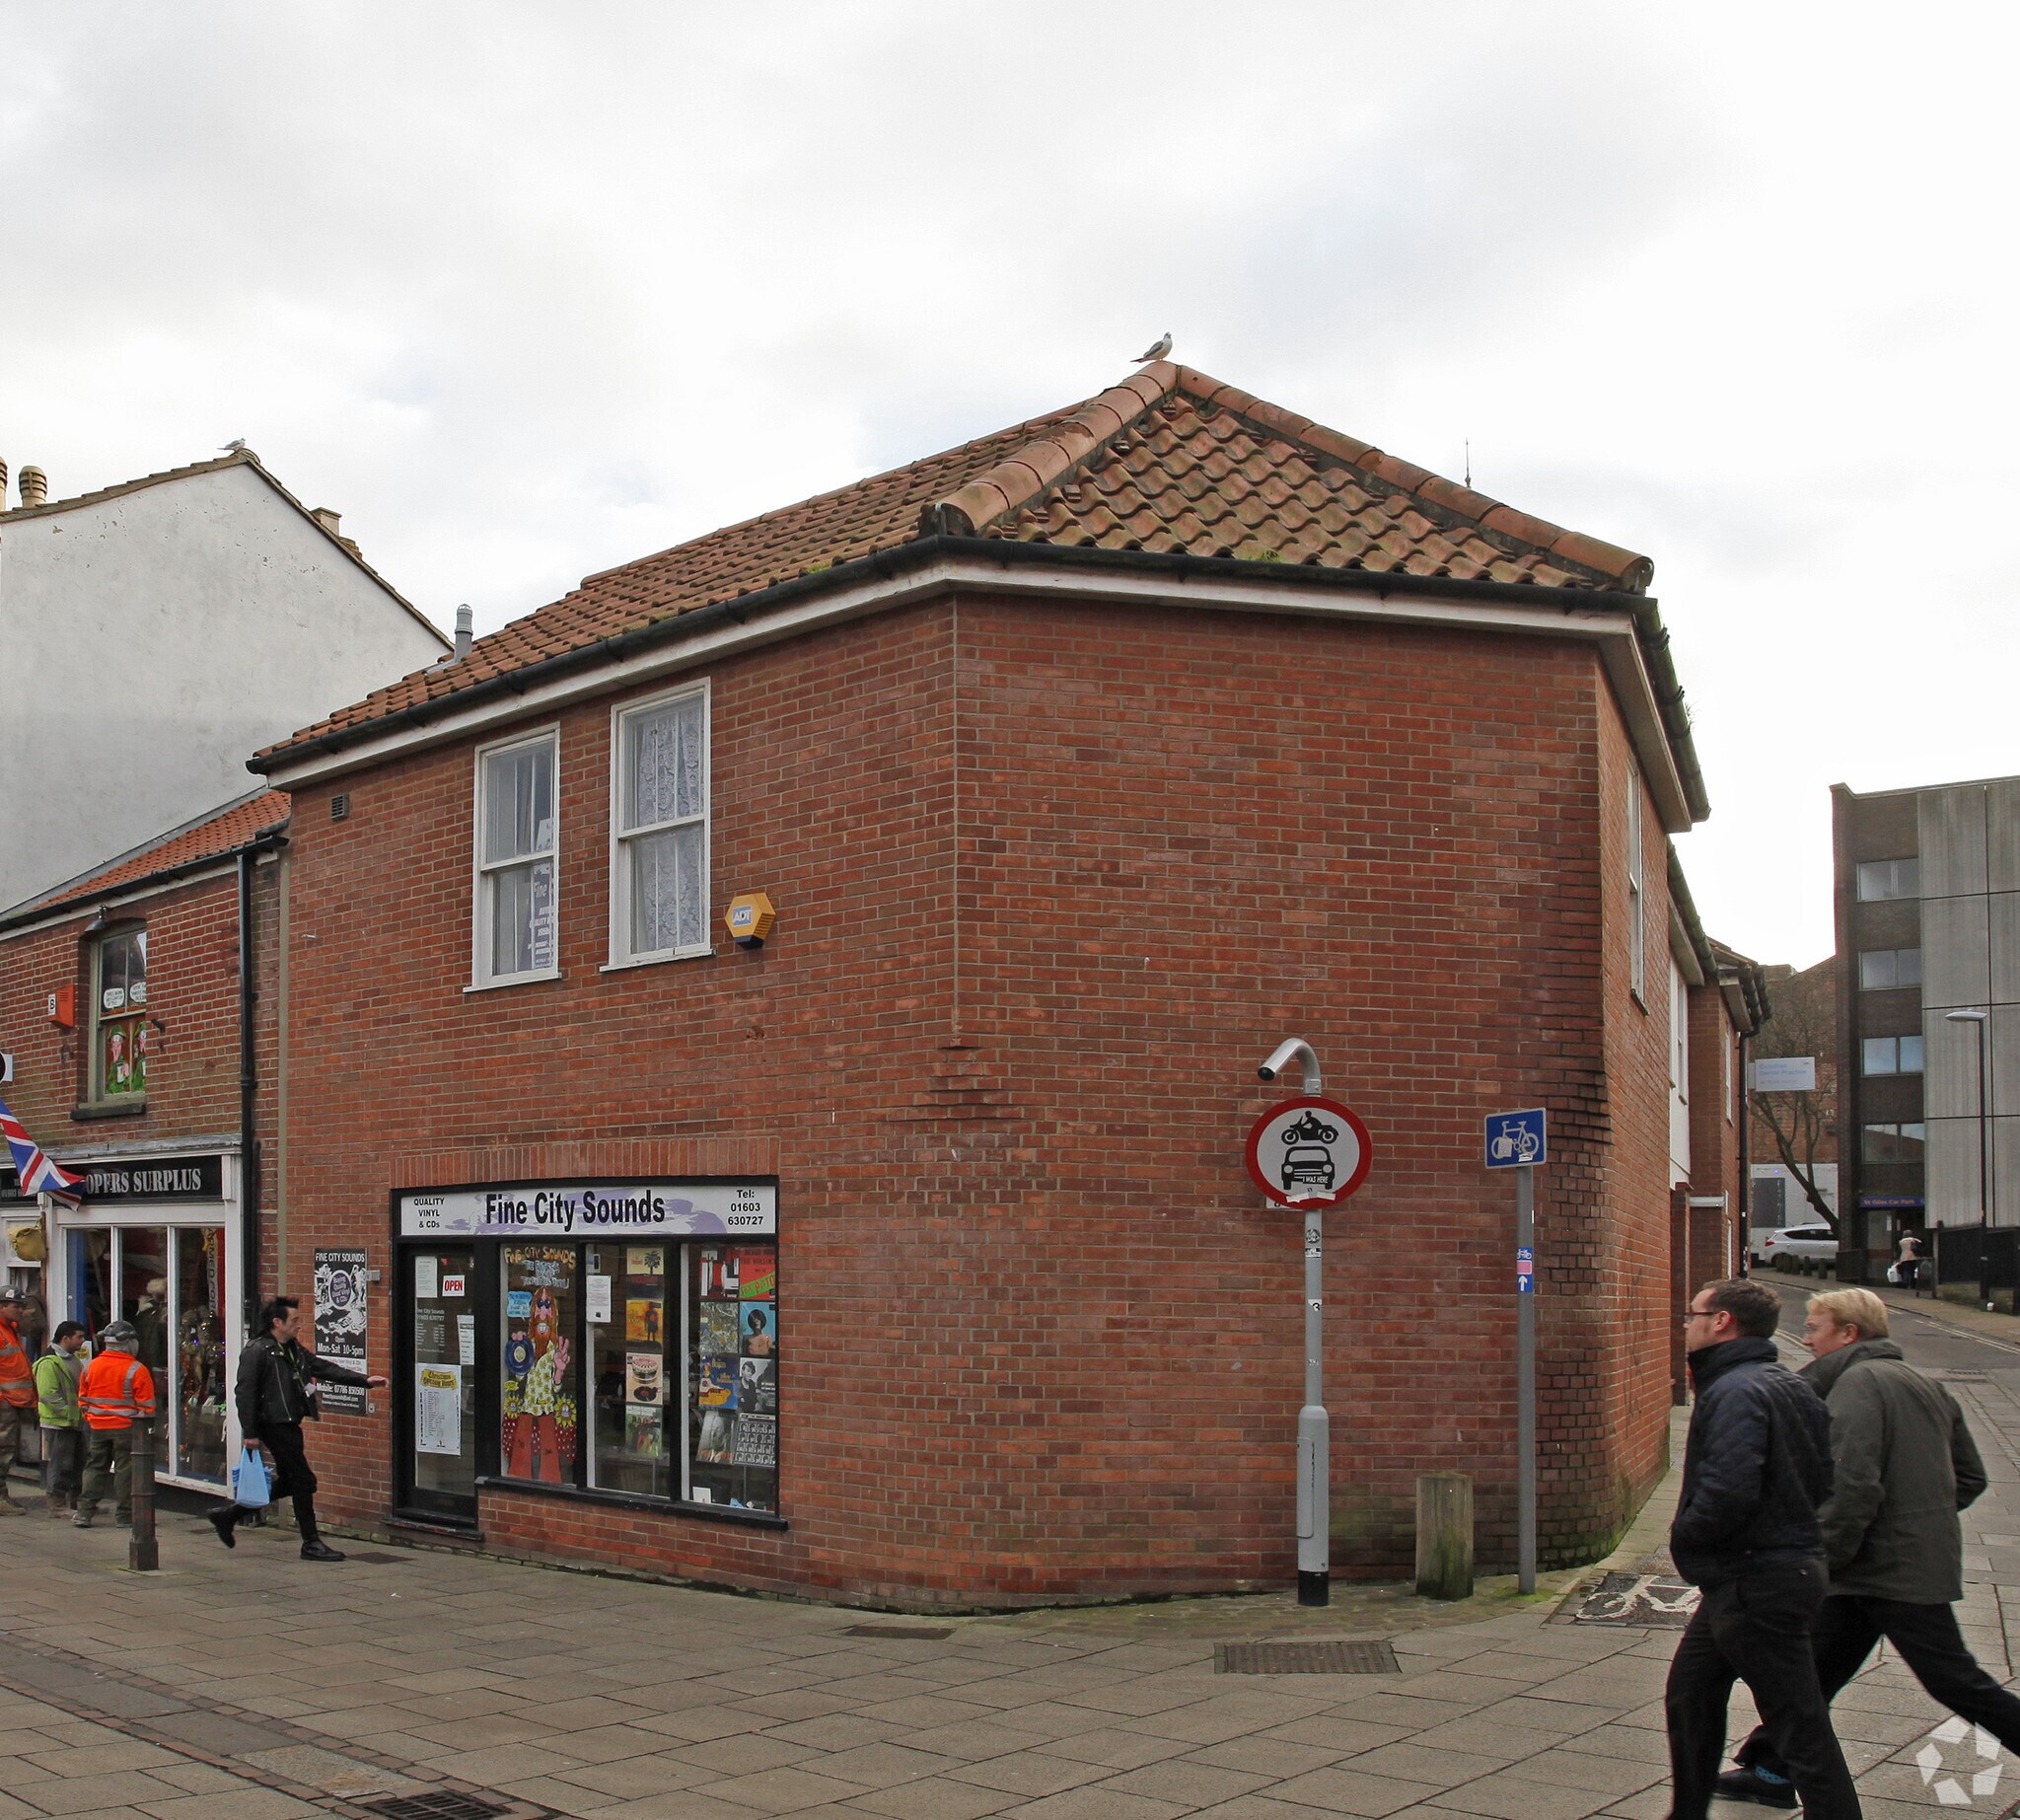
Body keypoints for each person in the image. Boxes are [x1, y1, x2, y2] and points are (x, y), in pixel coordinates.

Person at [1718, 1288, 2020, 1807]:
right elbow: (1968, 1477)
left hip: (1887, 1571)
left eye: (1815, 1328)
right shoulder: (1921, 1383)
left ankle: (1774, 1771)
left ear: (1848, 1334)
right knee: (1811, 1672)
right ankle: (1771, 1771)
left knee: (1956, 1682)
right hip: (1877, 1568)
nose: (1807, 1338)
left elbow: (1849, 1486)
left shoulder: (1859, 1385)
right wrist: (1920, 1521)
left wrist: (1818, 1560)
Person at [1665, 1277, 1862, 1820]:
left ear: (1722, 1321)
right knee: (1691, 1694)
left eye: (1693, 1313)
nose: (1687, 1323)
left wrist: (1685, 1537)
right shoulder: (1789, 1384)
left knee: (1799, 1725)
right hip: (1764, 1573)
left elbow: (1728, 1491)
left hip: (1757, 1580)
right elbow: (1823, 1480)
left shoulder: (1734, 1390)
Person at [209, 1294, 385, 1562]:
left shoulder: (292, 1348)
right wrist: (251, 1434)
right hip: (272, 1424)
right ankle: (311, 1543)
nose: (299, 1325)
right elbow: (245, 1394)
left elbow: (321, 1367)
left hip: (291, 1422)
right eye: (295, 1320)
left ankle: (229, 1514)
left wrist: (364, 1381)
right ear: (277, 1322)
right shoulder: (257, 1351)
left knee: (292, 1481)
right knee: (304, 1481)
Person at [74, 1320, 155, 1528]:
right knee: (125, 1471)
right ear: (128, 1343)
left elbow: (83, 1400)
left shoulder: (91, 1366)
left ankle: (84, 1513)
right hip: (126, 1429)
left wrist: (92, 1418)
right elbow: (147, 1408)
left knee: (94, 1468)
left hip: (98, 1428)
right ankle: (125, 1516)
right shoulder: (137, 1369)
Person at [34, 1321, 87, 1516]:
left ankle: (75, 1501)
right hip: (58, 1423)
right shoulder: (49, 1362)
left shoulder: (71, 1359)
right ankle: (56, 1503)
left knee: (77, 1462)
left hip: (73, 1422)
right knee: (60, 1463)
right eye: (79, 1337)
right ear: (65, 1338)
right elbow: (48, 1395)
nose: (82, 1341)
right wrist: (71, 1413)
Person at [0, 1287, 40, 1513]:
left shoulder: (10, 1329)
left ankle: (2, 1496)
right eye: (15, 1306)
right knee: (2, 1450)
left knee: (6, 1450)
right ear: (1, 1307)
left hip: (12, 1401)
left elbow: (31, 1327)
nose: (19, 1310)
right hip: (4, 1401)